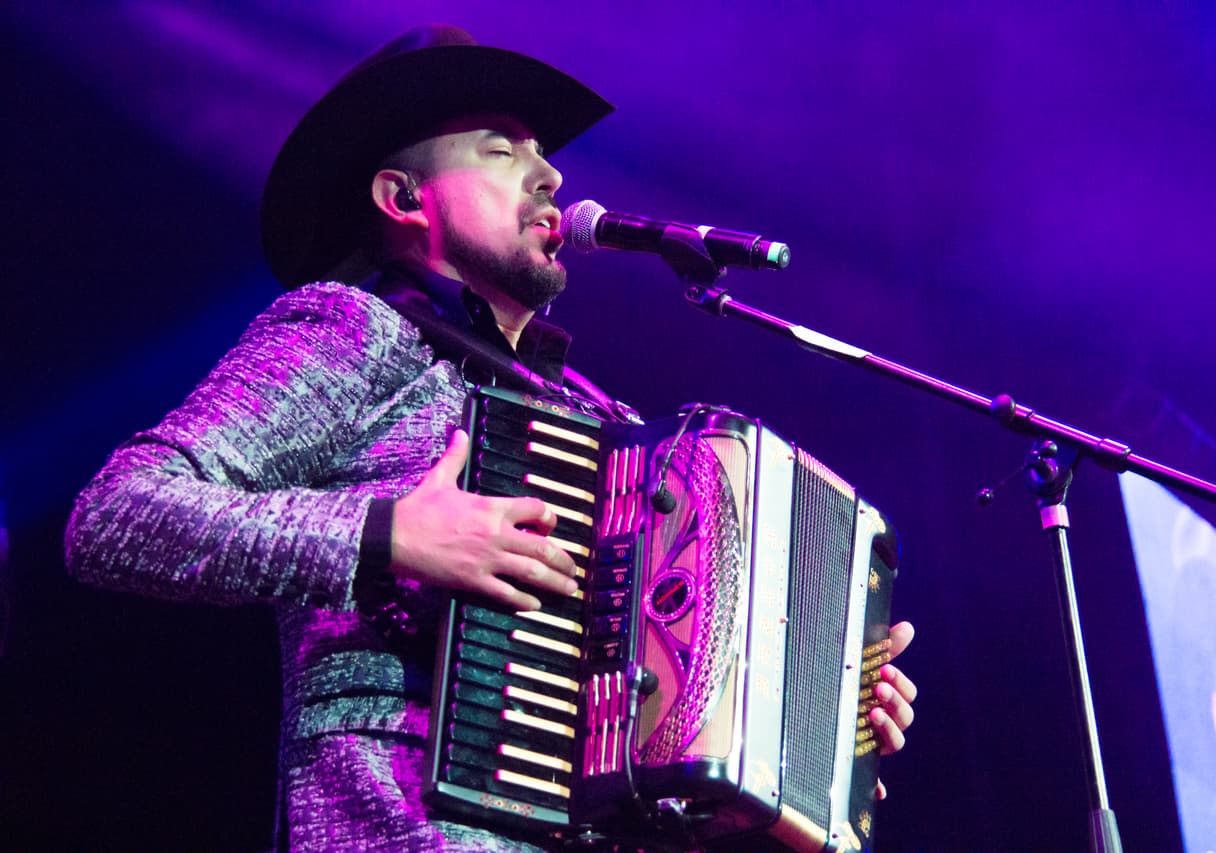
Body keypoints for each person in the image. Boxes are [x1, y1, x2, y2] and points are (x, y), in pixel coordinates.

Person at [64, 25, 917, 851]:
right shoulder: (354, 330)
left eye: (542, 152)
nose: (548, 175)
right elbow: (116, 513)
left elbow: (647, 726)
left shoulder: (600, 422)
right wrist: (390, 533)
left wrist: (818, 726)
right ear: (403, 199)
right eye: (501, 150)